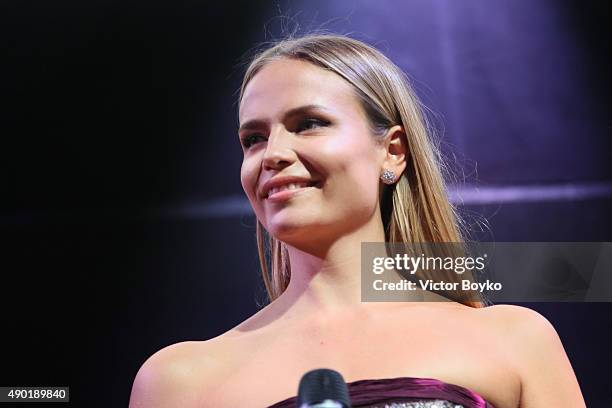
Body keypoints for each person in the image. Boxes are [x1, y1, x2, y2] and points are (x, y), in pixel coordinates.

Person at [129, 33, 585, 407]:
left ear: (392, 152)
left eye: (308, 123)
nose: (273, 154)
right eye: (253, 138)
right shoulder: (178, 382)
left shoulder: (514, 340)